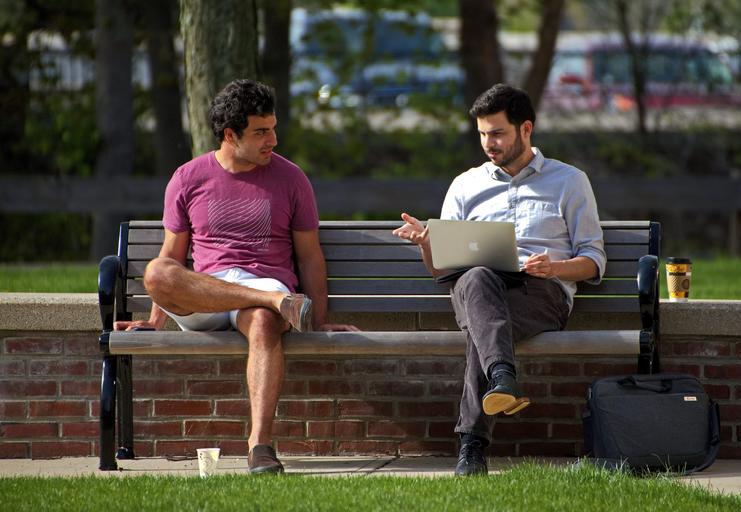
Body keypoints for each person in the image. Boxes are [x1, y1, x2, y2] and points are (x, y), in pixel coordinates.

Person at [114, 79, 357, 475]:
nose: (273, 140)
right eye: (261, 132)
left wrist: (321, 319)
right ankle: (274, 302)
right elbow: (172, 257)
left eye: (273, 128)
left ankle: (259, 446)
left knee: (263, 319)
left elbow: (310, 256)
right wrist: (155, 320)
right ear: (230, 135)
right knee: (157, 272)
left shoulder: (292, 179)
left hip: (265, 287)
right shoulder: (188, 177)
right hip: (206, 296)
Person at [393, 84, 605, 476]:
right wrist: (427, 243)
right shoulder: (465, 185)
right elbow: (441, 268)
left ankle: (472, 445)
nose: (488, 143)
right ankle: (502, 379)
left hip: (540, 291)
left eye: (497, 133)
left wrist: (554, 268)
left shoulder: (569, 181)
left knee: (483, 328)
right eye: (482, 134)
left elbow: (594, 260)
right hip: (476, 288)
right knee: (476, 277)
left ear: (526, 129)